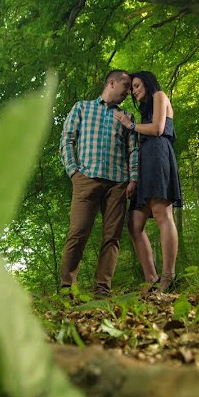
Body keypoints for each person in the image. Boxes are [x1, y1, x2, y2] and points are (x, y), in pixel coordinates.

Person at [58, 70, 139, 297]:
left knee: (111, 238)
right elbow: (67, 139)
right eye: (126, 86)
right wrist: (74, 172)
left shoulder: (128, 117)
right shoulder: (82, 107)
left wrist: (133, 178)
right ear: (111, 83)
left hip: (118, 184)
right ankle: (66, 289)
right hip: (86, 179)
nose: (128, 92)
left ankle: (102, 289)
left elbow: (133, 150)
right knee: (77, 233)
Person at [113, 71, 183, 293]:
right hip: (144, 163)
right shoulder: (143, 111)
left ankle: (168, 277)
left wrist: (129, 124)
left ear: (147, 82)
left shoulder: (160, 96)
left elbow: (157, 129)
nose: (134, 90)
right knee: (134, 225)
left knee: (163, 215)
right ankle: (151, 278)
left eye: (136, 85)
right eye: (132, 88)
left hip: (158, 155)